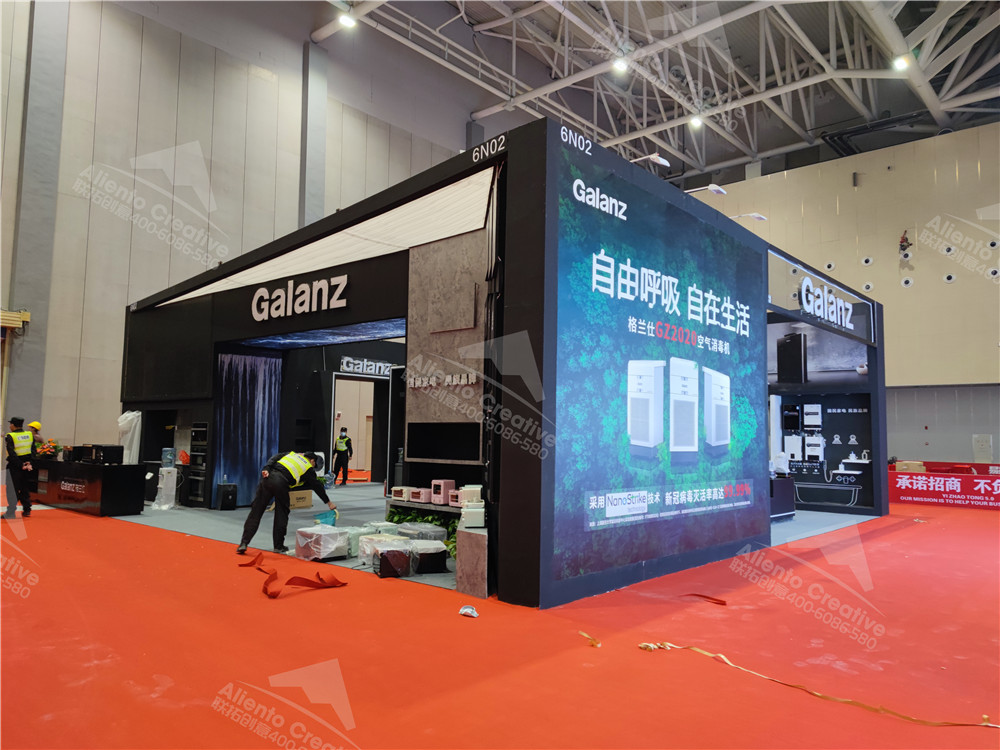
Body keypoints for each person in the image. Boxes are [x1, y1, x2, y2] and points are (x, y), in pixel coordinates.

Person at [237, 451, 336, 554]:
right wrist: (329, 502)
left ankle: (243, 543)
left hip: (267, 478)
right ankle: (278, 546)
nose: (313, 466)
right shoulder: (308, 468)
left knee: (255, 512)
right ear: (312, 461)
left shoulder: (291, 454)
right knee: (281, 514)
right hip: (281, 483)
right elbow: (317, 486)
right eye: (314, 464)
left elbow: (274, 458)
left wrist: (266, 468)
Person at [3, 417, 36, 519]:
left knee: (12, 489)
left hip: (15, 466)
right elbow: (33, 450)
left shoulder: (10, 436)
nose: (10, 426)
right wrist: (29, 463)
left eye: (10, 424)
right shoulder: (29, 435)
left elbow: (12, 453)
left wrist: (20, 465)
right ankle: (27, 509)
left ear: (13, 425)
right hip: (28, 466)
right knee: (24, 487)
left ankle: (11, 512)